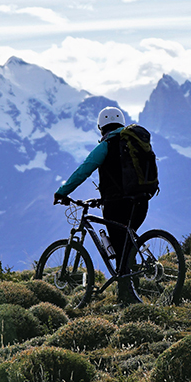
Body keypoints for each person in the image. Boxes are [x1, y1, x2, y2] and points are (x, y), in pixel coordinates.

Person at [54, 106, 148, 304]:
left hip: (117, 206)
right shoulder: (133, 143)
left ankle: (128, 297)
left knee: (121, 248)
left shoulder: (107, 145)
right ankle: (131, 290)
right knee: (127, 246)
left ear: (101, 127)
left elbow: (84, 170)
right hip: (141, 202)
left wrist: (63, 192)